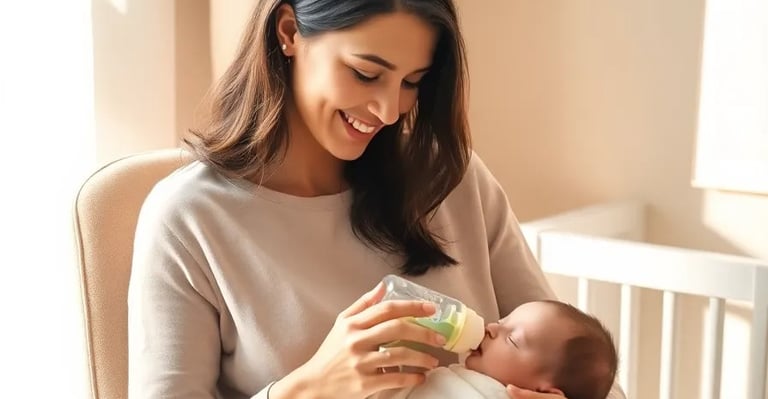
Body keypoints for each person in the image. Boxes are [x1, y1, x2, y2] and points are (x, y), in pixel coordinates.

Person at [127, 1, 626, 398]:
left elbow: (581, 369)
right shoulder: (189, 221)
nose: (390, 110)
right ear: (289, 32)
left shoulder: (450, 178)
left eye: (412, 82)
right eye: (366, 73)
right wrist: (311, 388)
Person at [374, 300, 618, 399]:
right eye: (501, 321)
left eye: (512, 339)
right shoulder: (458, 377)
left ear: (543, 393)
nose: (491, 328)